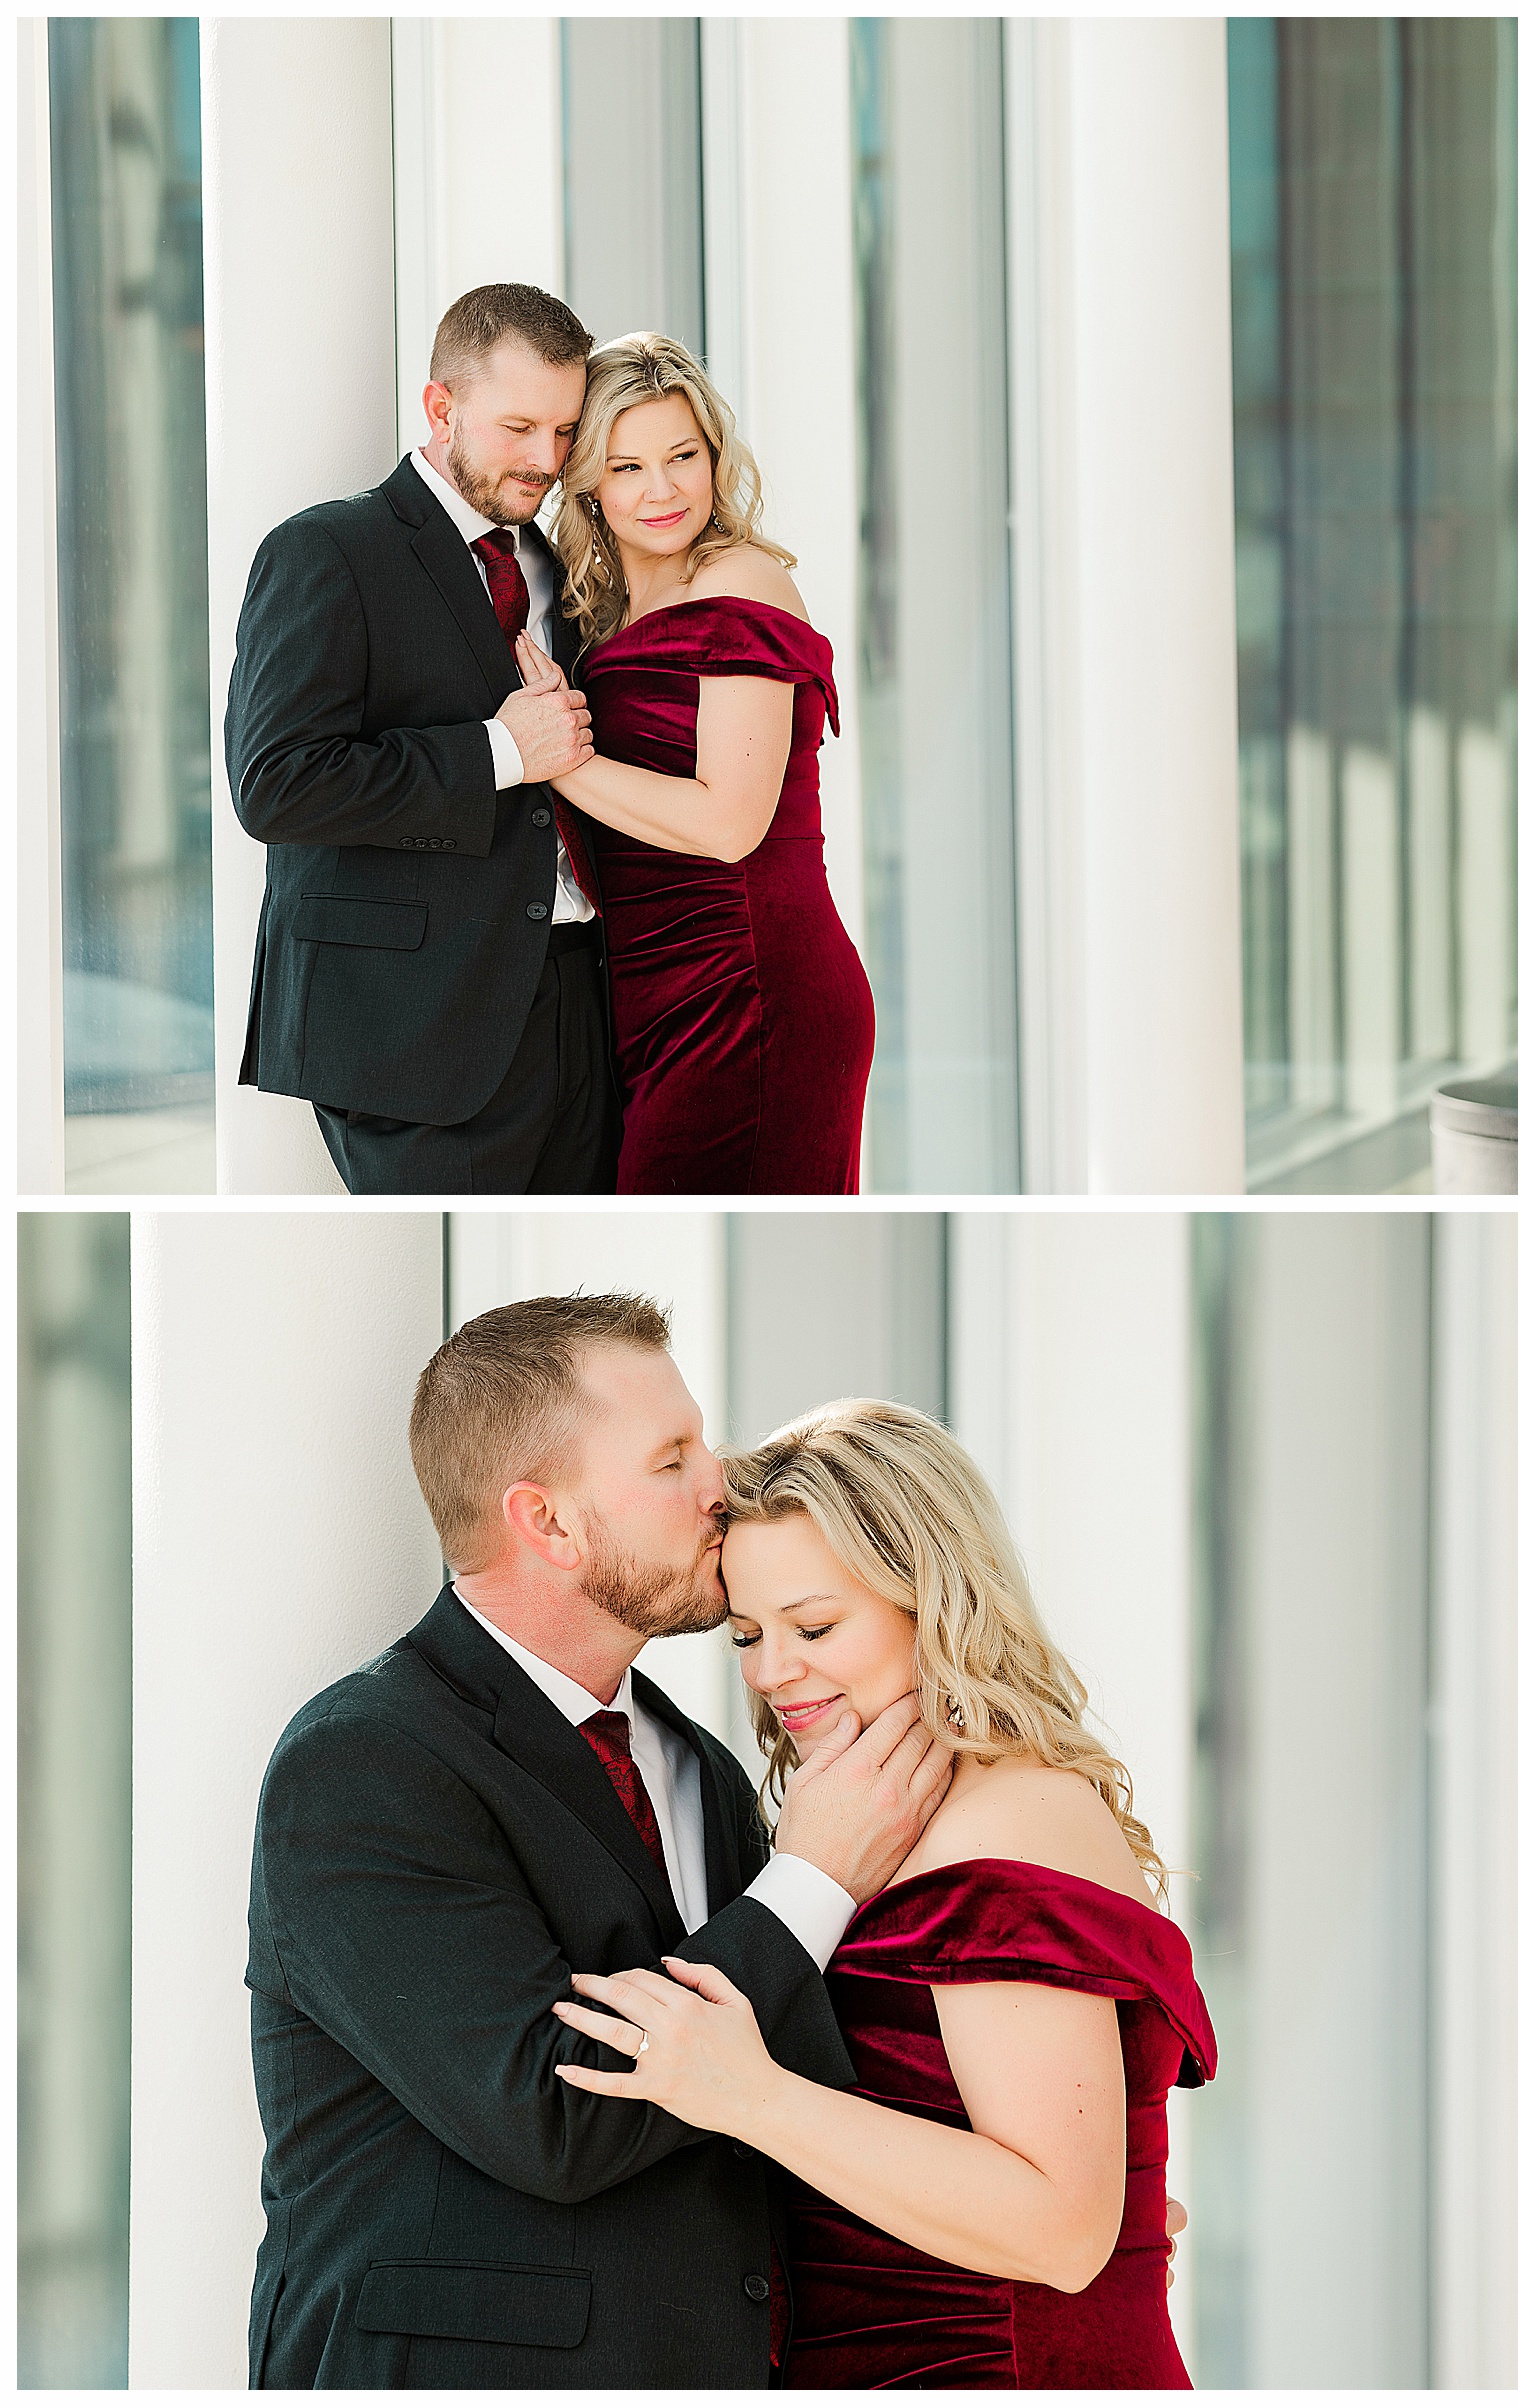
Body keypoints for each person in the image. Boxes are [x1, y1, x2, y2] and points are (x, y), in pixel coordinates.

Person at [245, 1296, 954, 2387]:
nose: (721, 1480)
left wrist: (1028, 2205)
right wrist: (815, 1878)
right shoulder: (362, 1762)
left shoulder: (699, 1764)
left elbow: (786, 2083)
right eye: (671, 1459)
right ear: (552, 1524)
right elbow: (553, 2112)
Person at [553, 1400, 1217, 2389]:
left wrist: (750, 2093)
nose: (775, 1671)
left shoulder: (1008, 1813)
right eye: (746, 1634)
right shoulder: (864, 1818)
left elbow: (1060, 2228)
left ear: (936, 1598)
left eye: (814, 1624)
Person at [226, 284, 618, 1195]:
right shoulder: (326, 549)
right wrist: (501, 751)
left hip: (578, 1007)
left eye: (564, 432)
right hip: (415, 1031)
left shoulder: (554, 563)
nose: (546, 460)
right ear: (441, 406)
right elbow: (275, 784)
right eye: (519, 426)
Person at [511, 332, 876, 1193]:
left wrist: (555, 758)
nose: (663, 488)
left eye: (682, 456)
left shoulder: (740, 580)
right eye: (629, 466)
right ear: (589, 479)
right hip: (656, 995)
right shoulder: (593, 607)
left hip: (751, 987)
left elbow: (728, 821)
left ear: (715, 455)